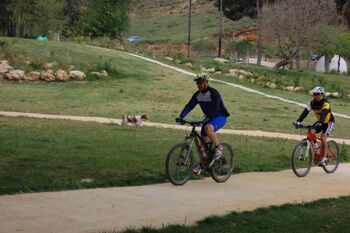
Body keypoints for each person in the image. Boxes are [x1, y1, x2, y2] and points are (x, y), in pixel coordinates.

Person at [176, 72, 230, 172]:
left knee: (208, 128)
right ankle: (203, 165)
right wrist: (181, 116)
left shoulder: (214, 92)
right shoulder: (197, 95)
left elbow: (217, 106)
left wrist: (209, 118)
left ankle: (219, 147)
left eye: (200, 83)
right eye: (197, 83)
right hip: (208, 118)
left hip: (219, 116)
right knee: (203, 143)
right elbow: (189, 106)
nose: (198, 85)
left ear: (206, 82)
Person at [295, 86, 335, 166]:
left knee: (323, 137)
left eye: (317, 94)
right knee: (311, 132)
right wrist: (299, 121)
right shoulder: (311, 103)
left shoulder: (326, 103)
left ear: (322, 95)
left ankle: (324, 158)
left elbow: (324, 113)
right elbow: (305, 112)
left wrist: (321, 122)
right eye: (314, 94)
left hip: (328, 122)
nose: (315, 96)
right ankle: (318, 147)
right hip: (320, 122)